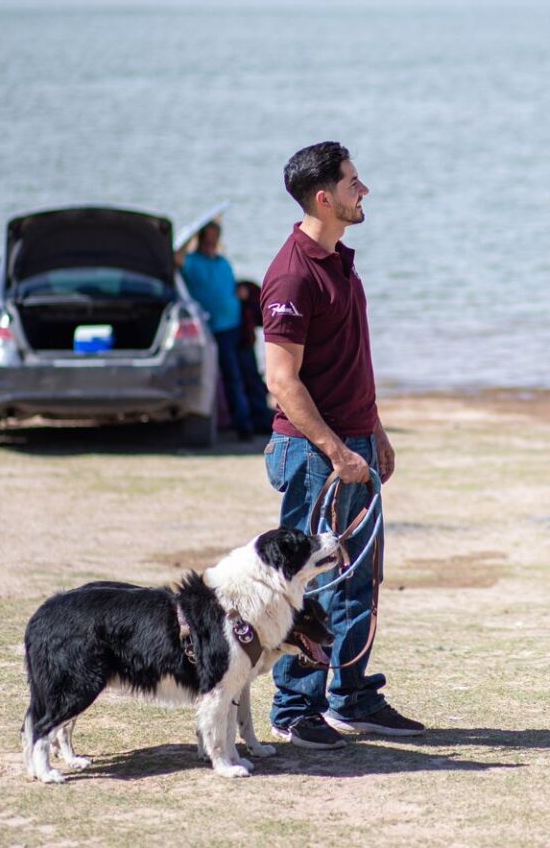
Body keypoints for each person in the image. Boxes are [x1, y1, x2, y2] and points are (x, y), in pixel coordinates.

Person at [260, 141, 424, 749]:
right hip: (313, 455)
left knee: (361, 579)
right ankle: (294, 708)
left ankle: (351, 698)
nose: (365, 189)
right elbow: (282, 380)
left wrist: (373, 430)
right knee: (316, 580)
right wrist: (335, 451)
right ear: (323, 197)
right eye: (355, 181)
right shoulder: (292, 273)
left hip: (354, 443)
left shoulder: (338, 262)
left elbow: (353, 361)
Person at [180, 221, 256, 441]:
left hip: (234, 326)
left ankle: (249, 421)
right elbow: (177, 267)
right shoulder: (191, 262)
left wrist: (240, 294)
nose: (212, 241)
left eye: (216, 236)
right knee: (226, 376)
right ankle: (241, 425)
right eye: (209, 236)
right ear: (202, 238)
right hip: (212, 329)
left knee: (243, 374)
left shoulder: (223, 262)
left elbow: (230, 287)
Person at [233, 278, 275, 435]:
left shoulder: (246, 290)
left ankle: (258, 420)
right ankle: (252, 421)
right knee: (240, 380)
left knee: (249, 379)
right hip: (233, 335)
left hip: (243, 339)